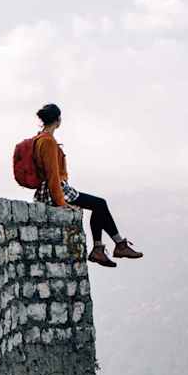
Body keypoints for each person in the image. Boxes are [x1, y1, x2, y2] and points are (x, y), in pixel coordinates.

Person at [31, 103, 143, 268]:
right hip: (53, 190)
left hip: (50, 188)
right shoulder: (47, 141)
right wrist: (62, 203)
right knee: (100, 204)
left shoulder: (40, 138)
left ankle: (102, 248)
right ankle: (116, 245)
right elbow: (52, 175)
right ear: (58, 120)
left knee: (98, 205)